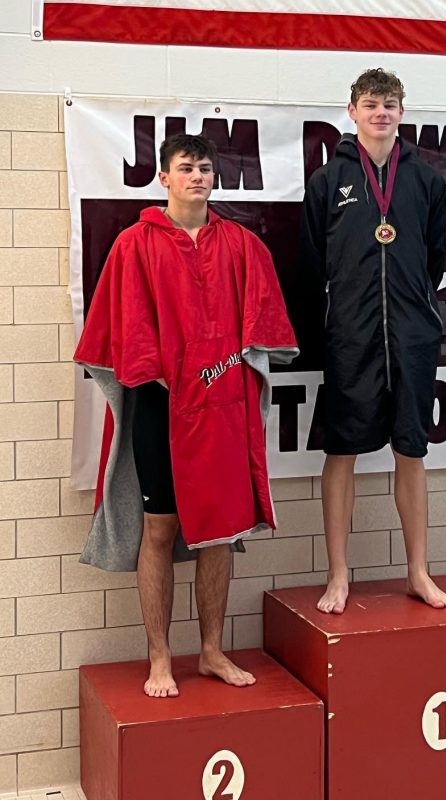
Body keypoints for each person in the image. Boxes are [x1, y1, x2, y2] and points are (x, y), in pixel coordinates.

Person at [75, 133, 298, 698]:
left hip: (223, 407)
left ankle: (212, 651)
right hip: (161, 403)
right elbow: (116, 329)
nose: (197, 176)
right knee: (160, 527)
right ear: (164, 178)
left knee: (219, 535)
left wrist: (226, 364)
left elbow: (266, 324)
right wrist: (164, 371)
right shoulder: (134, 245)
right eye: (185, 168)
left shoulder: (244, 245)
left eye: (204, 168)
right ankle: (158, 657)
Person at [300, 68, 446, 615]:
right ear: (352, 111)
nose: (380, 113)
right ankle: (338, 574)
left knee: (410, 450)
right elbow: (312, 263)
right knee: (342, 451)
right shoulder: (326, 181)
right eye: (370, 104)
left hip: (410, 333)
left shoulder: (426, 180)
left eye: (390, 104)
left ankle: (418, 571)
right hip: (351, 335)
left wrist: (414, 311)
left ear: (402, 113)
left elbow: (435, 259)